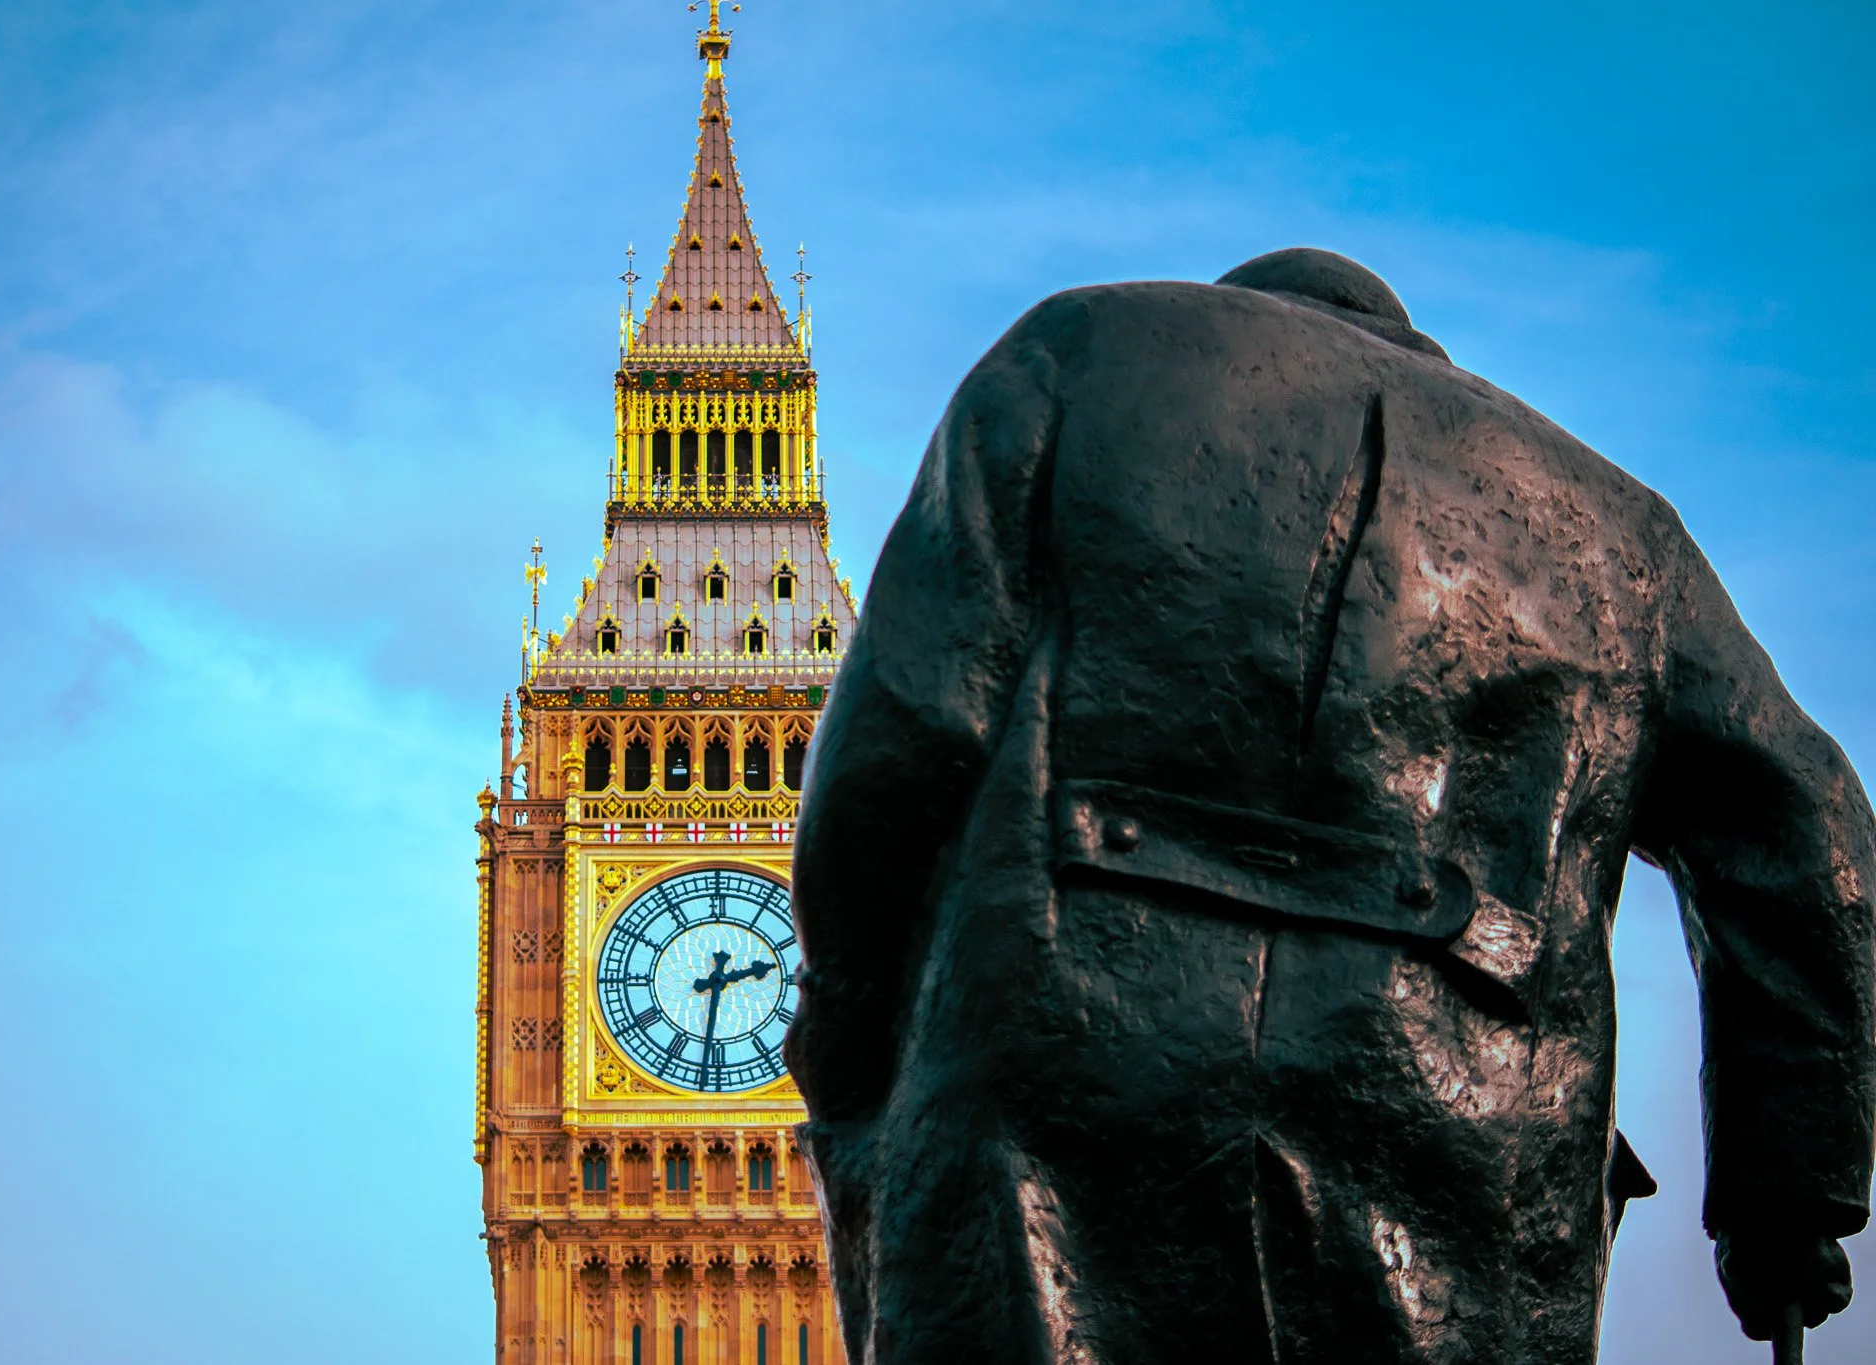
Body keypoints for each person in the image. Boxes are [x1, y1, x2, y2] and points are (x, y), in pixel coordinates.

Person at [786, 249, 1875, 1363]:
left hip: (1070, 1064)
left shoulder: (1072, 351)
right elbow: (1811, 835)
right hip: (1461, 1117)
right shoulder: (1622, 538)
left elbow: (901, 737)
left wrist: (847, 1044)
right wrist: (1785, 1193)